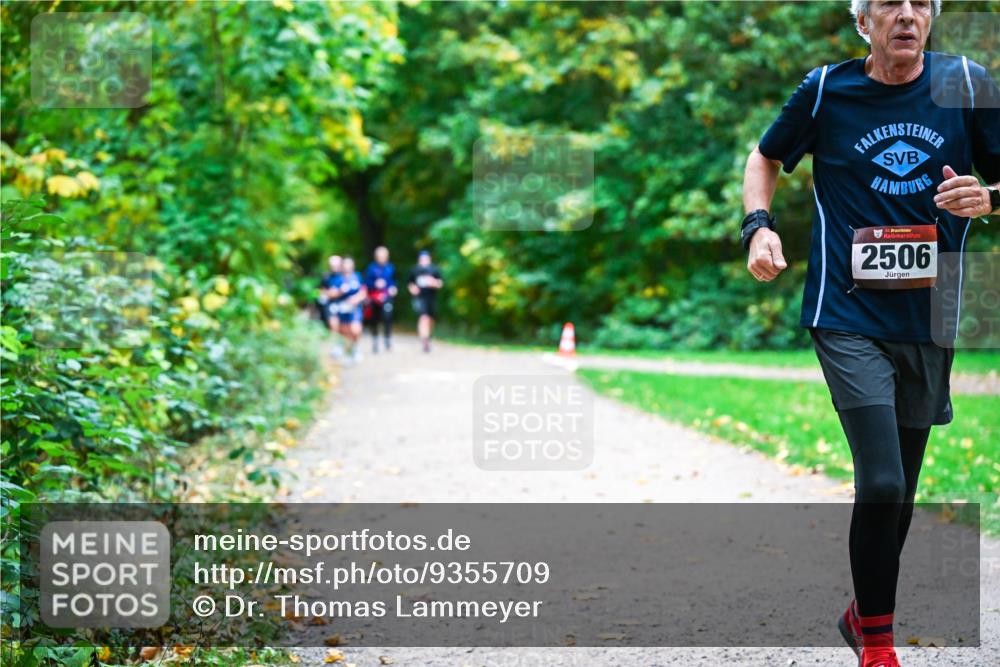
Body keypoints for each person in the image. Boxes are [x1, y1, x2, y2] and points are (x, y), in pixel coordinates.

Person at [741, 2, 999, 666]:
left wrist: (990, 197)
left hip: (928, 317)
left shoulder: (966, 84)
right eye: (889, 2)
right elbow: (763, 157)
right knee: (881, 481)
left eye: (920, 3)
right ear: (864, 21)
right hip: (845, 312)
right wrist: (758, 227)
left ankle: (863, 614)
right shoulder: (827, 89)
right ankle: (879, 647)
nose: (907, 15)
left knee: (901, 488)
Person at [408, 250, 444, 353]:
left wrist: (433, 282)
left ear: (429, 259)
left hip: (431, 298)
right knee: (423, 318)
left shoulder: (434, 270)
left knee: (430, 320)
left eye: (426, 259)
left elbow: (440, 283)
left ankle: (428, 336)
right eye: (422, 259)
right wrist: (413, 289)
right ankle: (425, 341)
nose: (424, 261)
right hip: (419, 298)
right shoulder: (414, 270)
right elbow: (410, 284)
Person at [332, 256, 367, 364]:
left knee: (356, 330)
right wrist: (340, 291)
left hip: (355, 309)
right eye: (345, 264)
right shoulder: (339, 279)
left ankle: (355, 349)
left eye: (349, 264)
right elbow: (332, 293)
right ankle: (349, 353)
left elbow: (363, 291)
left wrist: (356, 299)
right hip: (342, 309)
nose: (347, 266)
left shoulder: (357, 276)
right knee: (345, 333)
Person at [364, 245, 398, 353]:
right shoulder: (371, 268)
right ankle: (375, 339)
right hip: (374, 297)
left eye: (384, 255)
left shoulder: (391, 267)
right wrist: (375, 284)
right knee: (374, 319)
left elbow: (394, 281)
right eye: (380, 255)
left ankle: (387, 340)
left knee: (387, 317)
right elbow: (366, 283)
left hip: (387, 297)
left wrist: (393, 288)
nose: (382, 257)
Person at [319, 255, 344, 358]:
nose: (334, 268)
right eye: (332, 266)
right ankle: (337, 347)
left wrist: (338, 292)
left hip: (343, 304)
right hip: (331, 305)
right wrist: (329, 293)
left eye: (336, 265)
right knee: (333, 324)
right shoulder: (326, 277)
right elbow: (322, 290)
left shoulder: (345, 276)